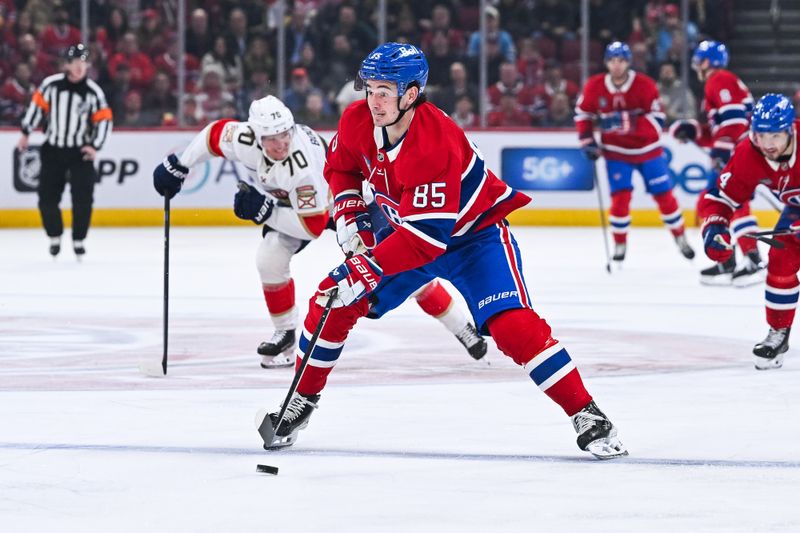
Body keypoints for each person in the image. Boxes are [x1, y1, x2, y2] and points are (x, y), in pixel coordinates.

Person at [262, 43, 627, 459]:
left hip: (475, 240)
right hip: (408, 234)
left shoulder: (435, 143)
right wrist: (349, 215)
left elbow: (426, 241)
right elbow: (342, 167)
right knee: (332, 300)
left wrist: (365, 267)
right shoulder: (356, 119)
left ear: (411, 94)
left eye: (385, 90)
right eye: (369, 88)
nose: (374, 100)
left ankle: (588, 412)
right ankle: (301, 402)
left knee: (511, 327)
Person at [152, 95, 487, 368]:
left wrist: (265, 211)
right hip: (298, 208)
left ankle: (461, 327)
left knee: (397, 269)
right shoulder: (243, 140)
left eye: (285, 134)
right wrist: (181, 164)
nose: (280, 144)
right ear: (255, 136)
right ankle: (284, 333)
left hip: (351, 204)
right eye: (271, 139)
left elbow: (312, 226)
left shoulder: (302, 165)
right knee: (268, 258)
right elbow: (213, 135)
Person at [697, 93, 799, 370]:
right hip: (795, 211)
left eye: (775, 136)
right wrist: (715, 227)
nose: (768, 144)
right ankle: (778, 333)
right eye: (760, 135)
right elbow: (720, 198)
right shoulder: (748, 153)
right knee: (780, 263)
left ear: (790, 130)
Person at [575, 41, 694, 263]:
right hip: (616, 153)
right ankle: (620, 243)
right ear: (606, 63)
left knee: (665, 197)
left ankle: (680, 238)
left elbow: (657, 119)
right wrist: (587, 140)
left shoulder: (645, 85)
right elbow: (583, 114)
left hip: (648, 151)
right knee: (620, 199)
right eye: (612, 60)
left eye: (621, 60)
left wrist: (627, 123)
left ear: (628, 62)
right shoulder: (594, 86)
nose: (617, 65)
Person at [672, 40, 764, 287]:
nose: (696, 65)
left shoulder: (719, 79)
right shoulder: (721, 81)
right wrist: (693, 130)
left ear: (709, 61)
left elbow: (734, 122)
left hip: (740, 152)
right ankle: (735, 259)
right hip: (743, 150)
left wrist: (723, 151)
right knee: (725, 202)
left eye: (699, 60)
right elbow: (721, 127)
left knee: (718, 202)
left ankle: (748, 259)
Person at [17, 44, 113, 259]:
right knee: (46, 198)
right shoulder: (51, 85)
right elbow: (36, 108)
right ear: (67, 65)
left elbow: (105, 121)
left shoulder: (93, 92)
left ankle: (79, 239)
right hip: (53, 150)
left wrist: (95, 145)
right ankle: (55, 235)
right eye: (75, 63)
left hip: (80, 153)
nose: (79, 68)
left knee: (83, 199)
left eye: (83, 64)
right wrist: (25, 133)